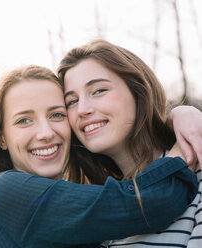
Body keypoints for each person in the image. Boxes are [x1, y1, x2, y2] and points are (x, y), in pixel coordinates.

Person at [0, 65, 201, 247]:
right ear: (1, 138)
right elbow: (146, 203)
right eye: (24, 120)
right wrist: (183, 134)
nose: (46, 133)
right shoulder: (7, 192)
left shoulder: (80, 196)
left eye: (57, 115)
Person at [58, 39, 201, 247]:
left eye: (99, 90)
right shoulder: (100, 207)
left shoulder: (196, 167)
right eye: (71, 101)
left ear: (138, 91)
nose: (82, 109)